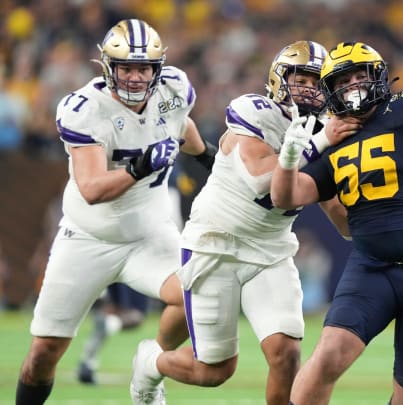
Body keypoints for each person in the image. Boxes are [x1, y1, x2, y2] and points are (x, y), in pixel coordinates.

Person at [129, 40, 354, 405]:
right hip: (216, 242)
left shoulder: (328, 130)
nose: (309, 89)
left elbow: (338, 215)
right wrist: (314, 144)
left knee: (286, 354)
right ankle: (151, 362)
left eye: (317, 81)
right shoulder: (256, 110)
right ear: (280, 78)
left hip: (271, 250)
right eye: (301, 78)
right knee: (214, 371)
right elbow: (259, 177)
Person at [15, 19, 216, 405]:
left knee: (199, 292)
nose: (136, 77)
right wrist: (139, 166)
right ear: (108, 66)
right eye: (127, 67)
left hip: (150, 234)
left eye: (144, 68)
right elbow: (92, 189)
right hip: (89, 238)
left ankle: (150, 367)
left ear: (157, 69)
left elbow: (180, 124)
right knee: (43, 354)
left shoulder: (174, 88)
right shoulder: (86, 109)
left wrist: (209, 157)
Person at [271, 41, 403, 405]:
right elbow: (286, 196)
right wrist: (290, 155)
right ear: (330, 91)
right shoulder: (334, 134)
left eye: (359, 74)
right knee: (329, 354)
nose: (352, 84)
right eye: (341, 79)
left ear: (378, 74)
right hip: (373, 266)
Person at [76, 283, 149, 385]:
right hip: (134, 270)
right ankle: (108, 324)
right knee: (136, 317)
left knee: (113, 309)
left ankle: (88, 362)